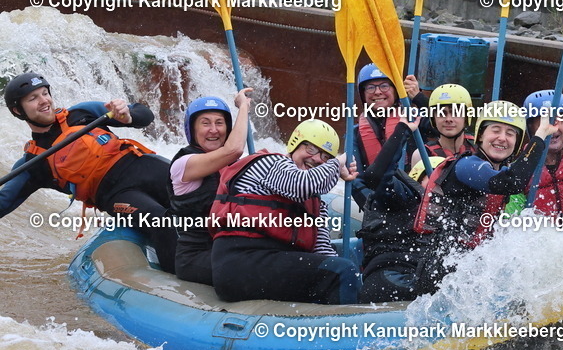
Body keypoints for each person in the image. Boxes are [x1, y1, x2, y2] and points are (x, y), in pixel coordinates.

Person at [1, 72, 178, 272]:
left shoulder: (81, 113)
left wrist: (128, 116)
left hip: (144, 166)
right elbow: (4, 201)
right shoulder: (33, 163)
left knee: (205, 191)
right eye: (33, 98)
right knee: (160, 221)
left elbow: (144, 115)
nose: (44, 101)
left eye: (44, 93)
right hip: (117, 195)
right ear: (18, 110)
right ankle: (183, 282)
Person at [209, 119, 361, 304]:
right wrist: (338, 163)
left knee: (341, 270)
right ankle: (341, 329)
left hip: (274, 261)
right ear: (294, 145)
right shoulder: (270, 164)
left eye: (325, 156)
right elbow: (302, 183)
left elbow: (321, 249)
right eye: (311, 149)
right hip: (241, 262)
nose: (317, 159)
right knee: (342, 271)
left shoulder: (314, 200)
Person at [413, 100, 556, 296]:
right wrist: (539, 137)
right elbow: (511, 182)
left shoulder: (498, 172)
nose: (502, 138)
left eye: (510, 133)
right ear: (480, 136)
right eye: (495, 130)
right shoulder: (466, 166)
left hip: (471, 269)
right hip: (441, 269)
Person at [167, 89, 251, 285]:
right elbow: (235, 149)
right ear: (193, 130)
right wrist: (244, 107)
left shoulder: (234, 166)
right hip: (196, 257)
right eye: (205, 123)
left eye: (219, 123)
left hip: (230, 249)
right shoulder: (184, 163)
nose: (214, 130)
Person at [353, 113, 430, 304]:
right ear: (418, 180)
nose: (437, 186)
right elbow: (377, 177)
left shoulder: (440, 209)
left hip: (411, 274)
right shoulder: (404, 195)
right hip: (388, 278)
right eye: (433, 179)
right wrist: (402, 130)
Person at [353, 63, 429, 168]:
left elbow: (443, 122)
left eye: (384, 86)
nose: (378, 92)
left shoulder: (415, 119)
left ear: (395, 91)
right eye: (370, 88)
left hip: (412, 183)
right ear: (363, 95)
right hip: (377, 183)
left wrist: (419, 98)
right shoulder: (354, 134)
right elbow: (356, 177)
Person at [411, 83, 476, 165]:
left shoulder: (480, 150)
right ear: (433, 119)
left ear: (466, 117)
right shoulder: (422, 155)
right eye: (441, 113)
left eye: (456, 113)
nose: (448, 119)